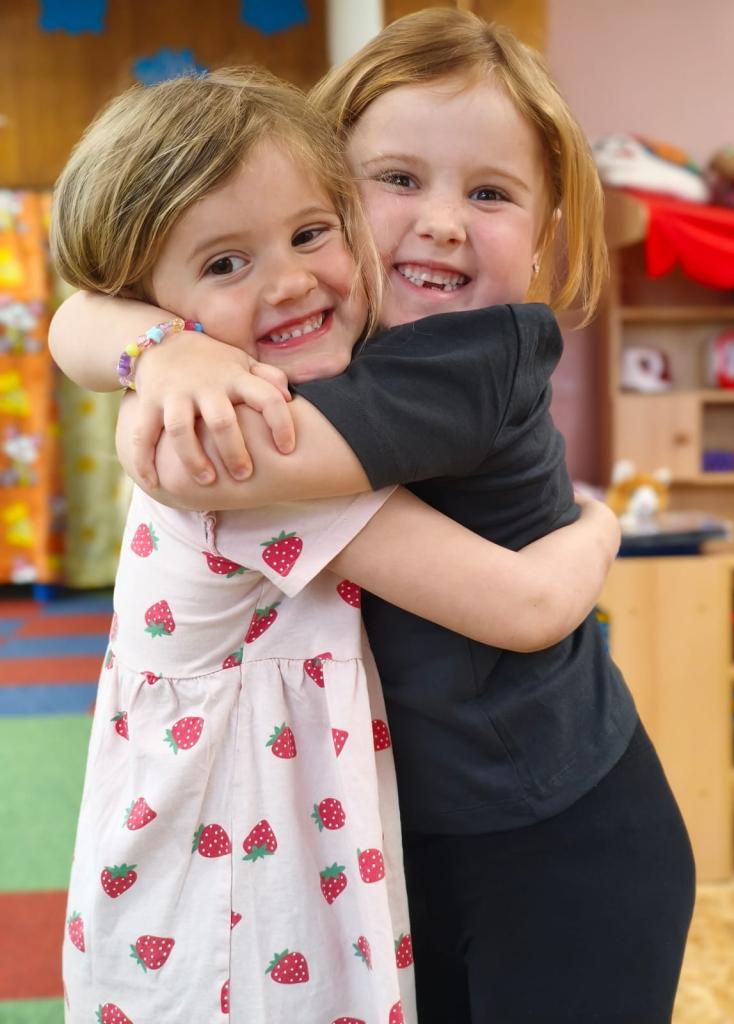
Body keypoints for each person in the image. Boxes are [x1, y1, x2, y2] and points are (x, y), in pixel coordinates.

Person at [49, 65, 622, 1024]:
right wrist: (599, 525)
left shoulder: (231, 395)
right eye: (225, 265)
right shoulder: (242, 451)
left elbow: (80, 318)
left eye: (311, 233)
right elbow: (528, 606)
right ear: (150, 297)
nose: (288, 281)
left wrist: (159, 348)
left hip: (252, 853)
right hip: (231, 885)